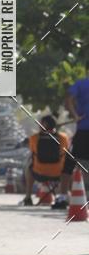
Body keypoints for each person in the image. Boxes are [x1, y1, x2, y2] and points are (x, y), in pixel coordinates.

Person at [51, 77, 89, 209]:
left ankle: (62, 197)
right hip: (84, 130)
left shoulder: (81, 83)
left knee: (69, 162)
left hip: (84, 131)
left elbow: (68, 101)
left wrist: (75, 115)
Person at [19, 115, 69, 206]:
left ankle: (28, 197)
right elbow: (65, 151)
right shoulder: (63, 137)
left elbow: (33, 151)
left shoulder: (34, 138)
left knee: (29, 165)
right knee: (69, 166)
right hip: (58, 174)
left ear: (44, 124)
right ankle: (63, 196)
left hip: (39, 173)